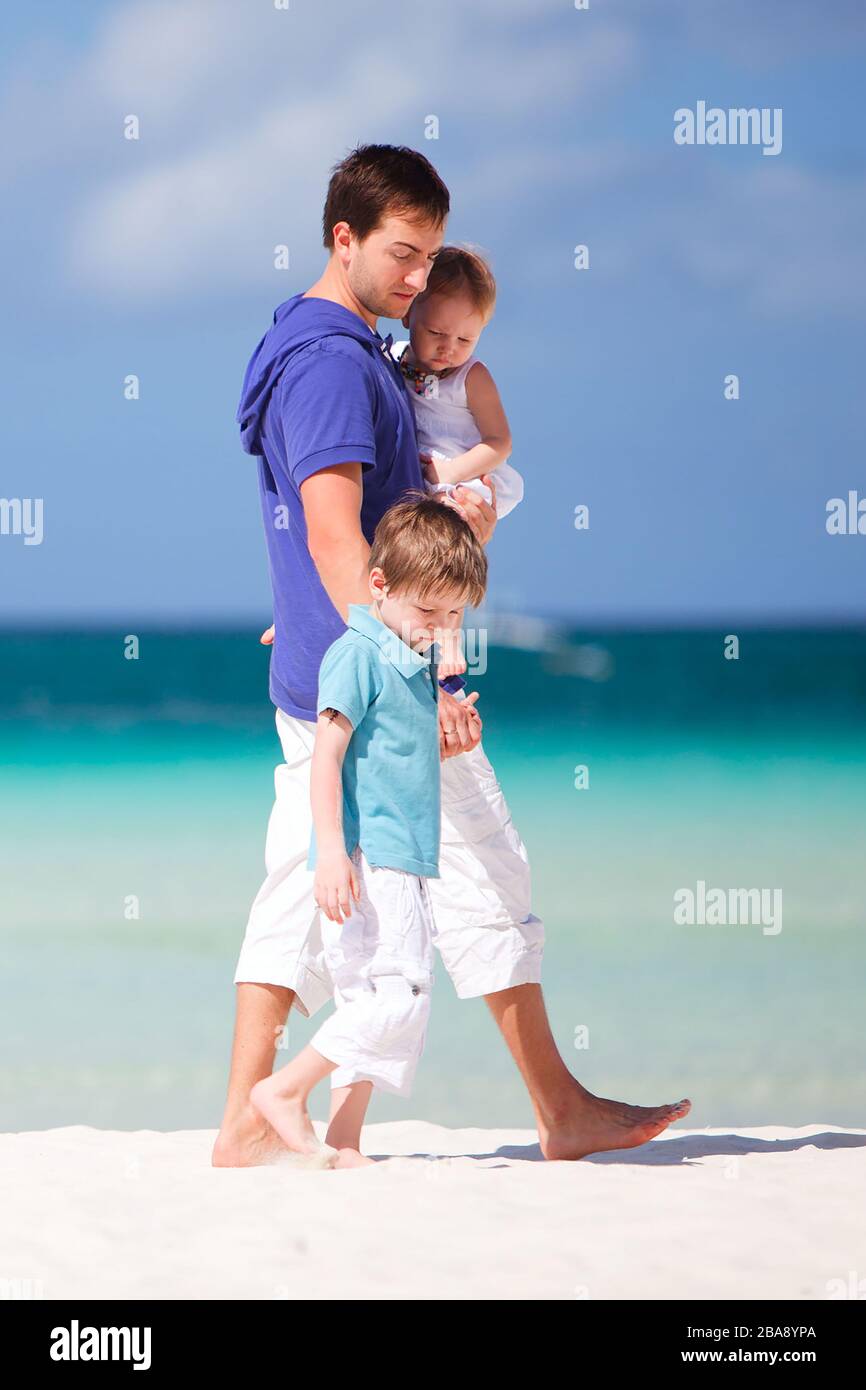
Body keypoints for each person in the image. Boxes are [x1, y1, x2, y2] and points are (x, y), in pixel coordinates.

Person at [213, 143, 690, 1168]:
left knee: (302, 886)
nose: (418, 279)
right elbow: (338, 535)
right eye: (401, 252)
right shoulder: (336, 363)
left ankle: (247, 1122)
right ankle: (558, 1109)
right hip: (382, 675)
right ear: (341, 236)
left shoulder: (310, 344)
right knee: (480, 866)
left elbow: (327, 529)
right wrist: (423, 682)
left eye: (430, 257)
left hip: (327, 660)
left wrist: (304, 605)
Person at [250, 496, 487, 1168]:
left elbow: (392, 757)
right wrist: (329, 852)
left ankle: (345, 1138)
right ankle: (284, 1090)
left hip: (399, 849)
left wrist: (444, 743)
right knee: (403, 994)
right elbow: (326, 755)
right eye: (427, 612)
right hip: (371, 854)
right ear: (379, 585)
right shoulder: (357, 653)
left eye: (453, 617)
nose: (439, 629)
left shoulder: (408, 659)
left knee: (366, 994)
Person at [392, 243, 522, 676]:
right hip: (423, 474)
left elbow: (499, 443)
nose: (449, 348)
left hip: (464, 472)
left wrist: (452, 474)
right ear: (409, 313)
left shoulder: (472, 377)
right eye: (436, 333)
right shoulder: (394, 360)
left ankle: (450, 641)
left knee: (452, 552)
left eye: (465, 338)